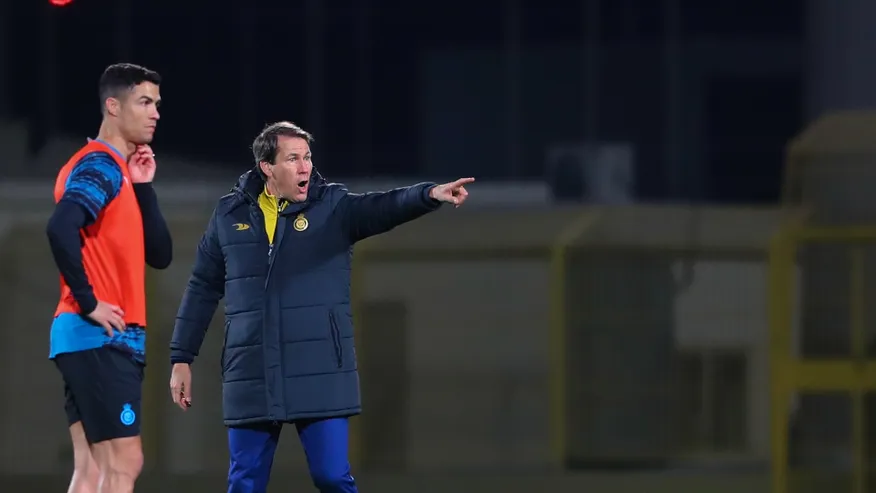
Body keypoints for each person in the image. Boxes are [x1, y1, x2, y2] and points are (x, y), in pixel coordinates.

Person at [169, 121, 472, 493]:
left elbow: (383, 206)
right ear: (267, 167)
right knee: (244, 482)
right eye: (293, 158)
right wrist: (181, 357)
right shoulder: (228, 215)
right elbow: (202, 287)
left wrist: (429, 194)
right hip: (251, 369)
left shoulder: (332, 207)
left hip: (320, 367)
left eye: (307, 157)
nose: (305, 167)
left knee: (331, 477)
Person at [45, 63, 172, 493]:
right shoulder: (100, 165)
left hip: (88, 338)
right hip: (101, 337)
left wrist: (143, 187)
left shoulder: (117, 170)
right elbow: (60, 227)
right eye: (144, 102)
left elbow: (160, 255)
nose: (155, 113)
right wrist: (88, 301)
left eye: (157, 103)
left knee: (93, 470)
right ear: (113, 107)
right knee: (124, 461)